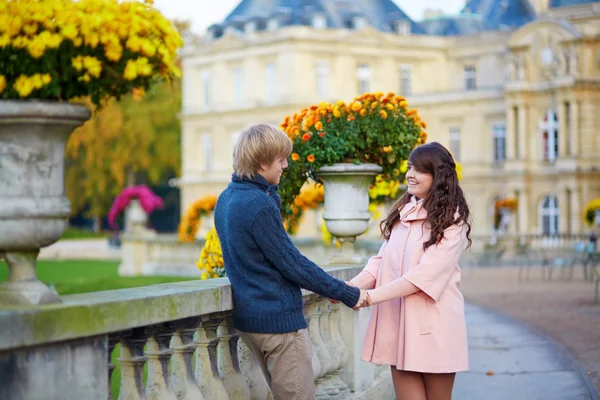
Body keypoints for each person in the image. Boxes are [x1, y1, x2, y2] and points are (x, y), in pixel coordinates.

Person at [214, 123, 369, 400]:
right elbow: (292, 264)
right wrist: (345, 292)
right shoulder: (257, 205)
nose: (285, 165)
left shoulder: (227, 199)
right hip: (279, 326)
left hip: (252, 322)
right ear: (262, 163)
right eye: (280, 159)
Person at [349, 142, 472, 400]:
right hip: (398, 324)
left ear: (438, 176)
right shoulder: (404, 214)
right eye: (409, 167)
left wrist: (370, 297)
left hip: (434, 327)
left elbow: (422, 277)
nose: (409, 174)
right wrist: (349, 287)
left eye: (419, 170)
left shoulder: (453, 221)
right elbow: (381, 261)